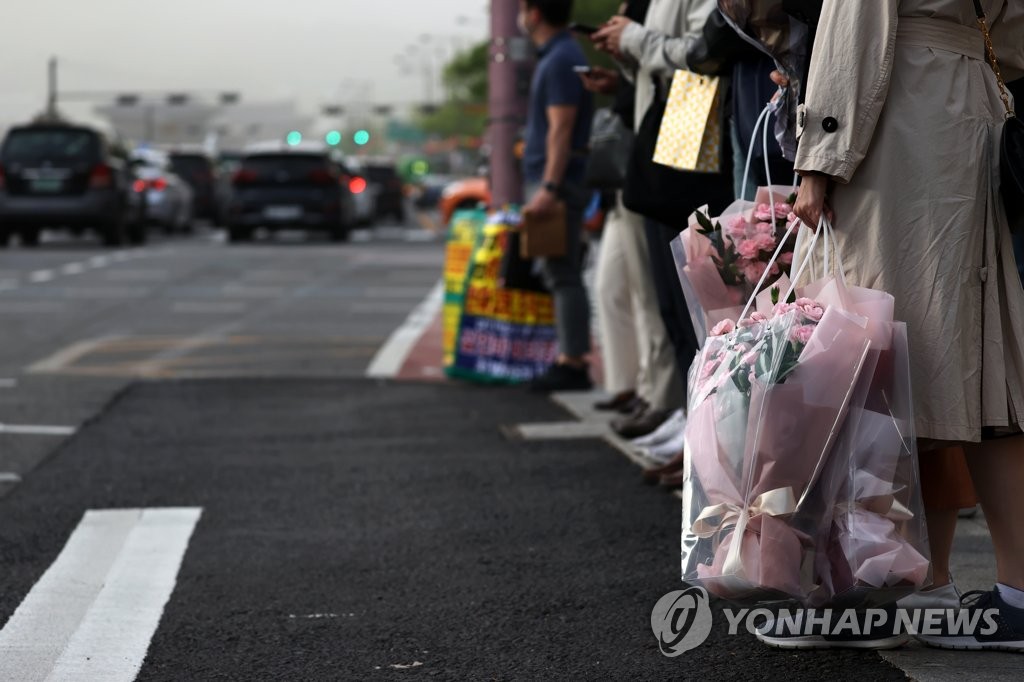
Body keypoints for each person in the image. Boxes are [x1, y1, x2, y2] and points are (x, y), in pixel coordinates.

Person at [779, 0, 1024, 650]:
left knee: (880, 356)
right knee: (976, 363)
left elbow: (856, 19)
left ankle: (878, 587)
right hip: (973, 105)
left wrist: (819, 157)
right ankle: (985, 590)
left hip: (897, 117)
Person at [589, 0, 719, 446]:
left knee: (689, 294)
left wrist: (632, 39)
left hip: (690, 112)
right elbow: (661, 59)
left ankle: (699, 425)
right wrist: (627, 54)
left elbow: (704, 50)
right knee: (667, 295)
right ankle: (688, 419)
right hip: (673, 117)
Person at [518, 0, 596, 393]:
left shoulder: (562, 57)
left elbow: (561, 128)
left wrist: (549, 187)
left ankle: (573, 362)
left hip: (558, 183)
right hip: (554, 180)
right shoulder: (558, 55)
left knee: (563, 272)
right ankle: (569, 356)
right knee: (555, 270)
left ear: (534, 13)